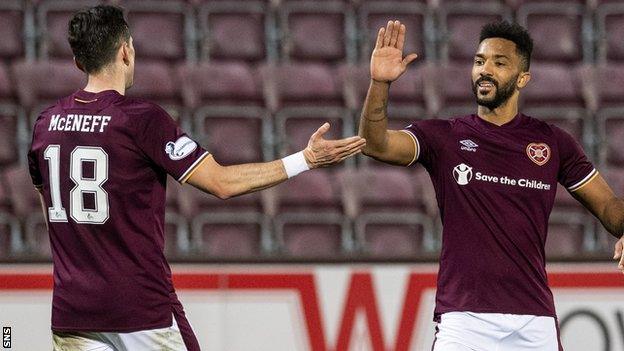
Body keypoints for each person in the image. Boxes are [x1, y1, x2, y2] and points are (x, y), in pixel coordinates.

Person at [27, 5, 365, 351]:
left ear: (78, 62)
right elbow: (222, 183)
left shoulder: (44, 124)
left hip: (73, 313)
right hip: (141, 311)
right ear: (126, 51)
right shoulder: (141, 120)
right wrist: (305, 159)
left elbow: (52, 211)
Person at [358, 19, 624, 351]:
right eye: (480, 61)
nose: (486, 70)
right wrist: (379, 83)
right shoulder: (445, 137)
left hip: (533, 319)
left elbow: (607, 206)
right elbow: (375, 144)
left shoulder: (553, 143)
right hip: (464, 319)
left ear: (522, 78)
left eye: (499, 63)